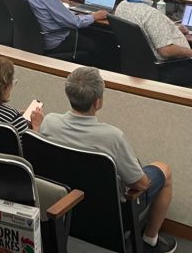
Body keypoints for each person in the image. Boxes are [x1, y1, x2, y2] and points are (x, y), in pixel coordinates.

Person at [40, 67, 177, 253]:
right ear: (97, 102)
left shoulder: (49, 122)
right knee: (164, 169)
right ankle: (150, 239)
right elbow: (141, 184)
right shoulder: (112, 137)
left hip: (65, 208)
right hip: (112, 218)